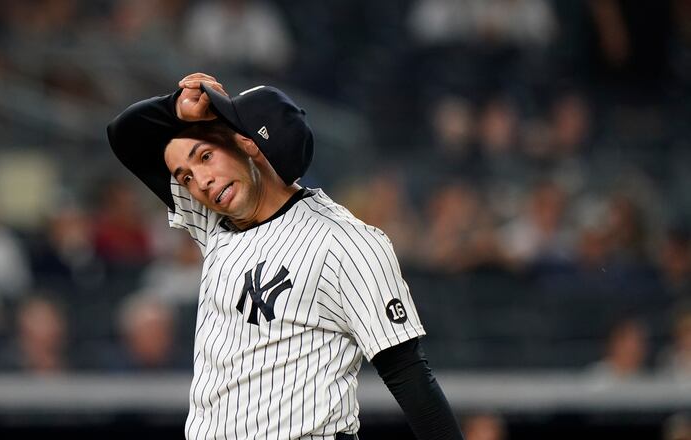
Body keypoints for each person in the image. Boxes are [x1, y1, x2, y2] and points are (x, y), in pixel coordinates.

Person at [107, 72, 463, 439]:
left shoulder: (345, 242)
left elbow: (409, 376)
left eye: (207, 156)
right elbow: (125, 135)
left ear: (247, 145)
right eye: (185, 177)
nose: (201, 182)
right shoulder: (213, 220)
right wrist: (176, 109)